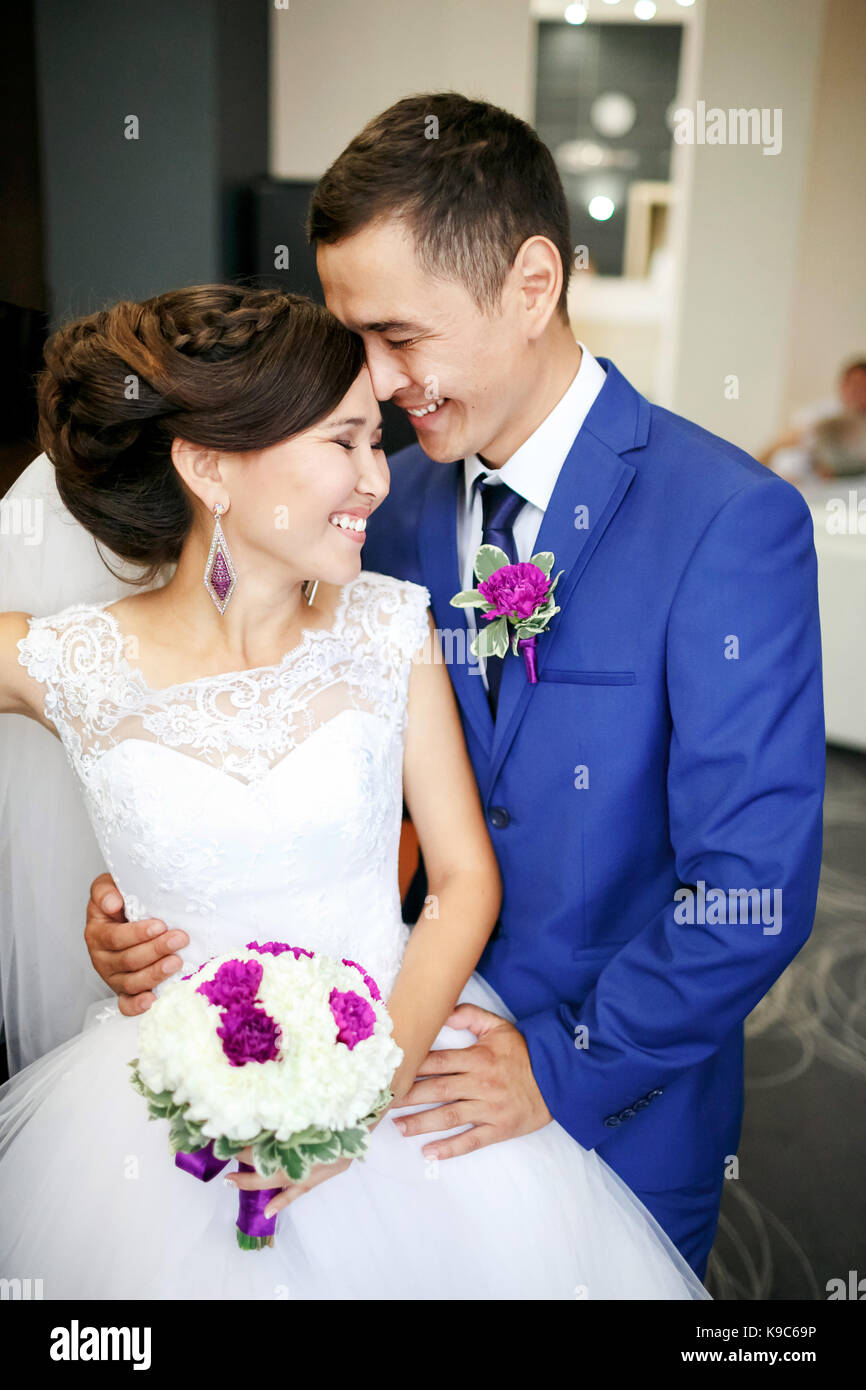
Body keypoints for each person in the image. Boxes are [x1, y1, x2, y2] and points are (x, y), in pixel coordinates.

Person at [82, 95, 825, 1283]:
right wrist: (157, 880)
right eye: (352, 339)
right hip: (380, 1088)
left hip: (611, 1113)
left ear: (532, 284)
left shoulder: (727, 521)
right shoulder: (380, 505)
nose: (372, 382)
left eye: (397, 336)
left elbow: (752, 883)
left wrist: (562, 1065)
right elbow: (286, 721)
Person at [0, 283, 709, 1299]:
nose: (378, 481)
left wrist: (360, 1103)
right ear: (209, 467)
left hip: (400, 1068)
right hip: (152, 1116)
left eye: (378, 441)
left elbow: (464, 881)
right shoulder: (67, 659)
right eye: (344, 443)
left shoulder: (387, 628)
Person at [758, 357, 866, 485]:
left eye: (863, 388)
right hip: (810, 485)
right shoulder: (818, 415)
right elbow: (781, 443)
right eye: (855, 386)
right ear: (842, 386)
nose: (859, 394)